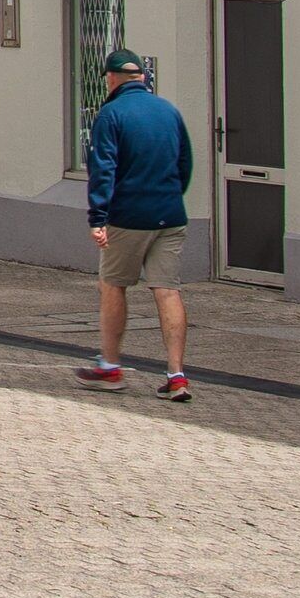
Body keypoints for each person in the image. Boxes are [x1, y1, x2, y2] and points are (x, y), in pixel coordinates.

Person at [74, 48, 196, 401]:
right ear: (142, 77)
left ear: (112, 79)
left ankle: (110, 368)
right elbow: (184, 163)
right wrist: (170, 196)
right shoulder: (169, 111)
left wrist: (98, 218)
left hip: (128, 217)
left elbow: (104, 171)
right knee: (167, 289)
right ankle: (176, 375)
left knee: (112, 285)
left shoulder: (111, 115)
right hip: (170, 214)